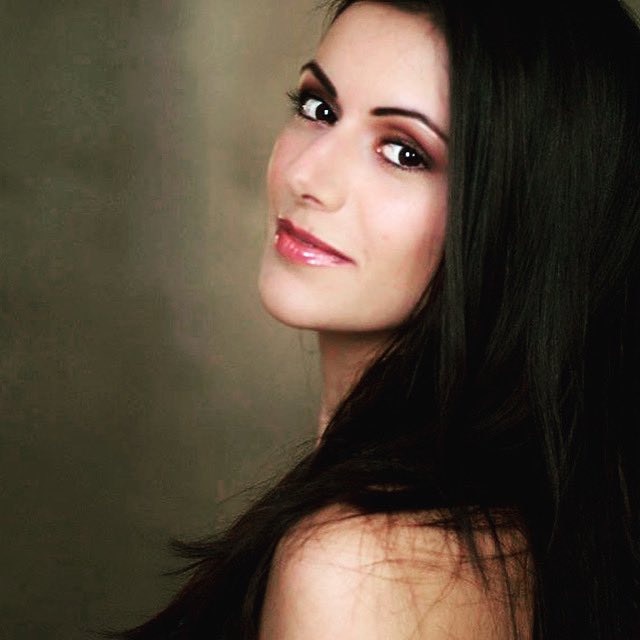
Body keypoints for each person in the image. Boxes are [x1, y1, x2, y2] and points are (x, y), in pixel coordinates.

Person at [117, 0, 640, 638]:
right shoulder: (532, 519)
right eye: (319, 109)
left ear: (526, 215)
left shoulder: (357, 565)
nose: (308, 176)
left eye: (403, 152)